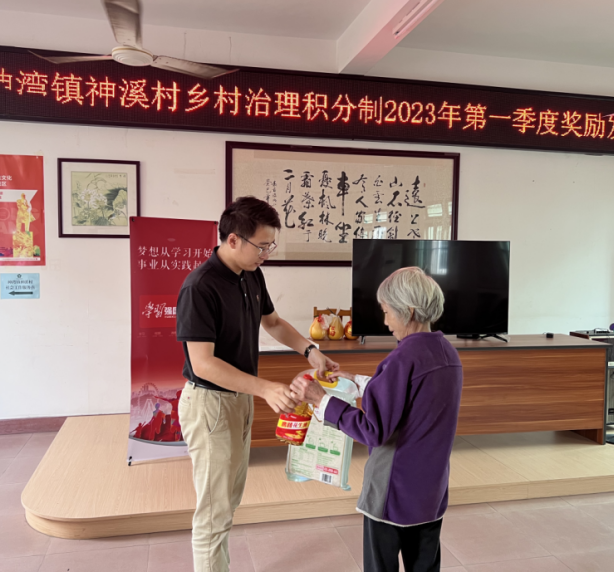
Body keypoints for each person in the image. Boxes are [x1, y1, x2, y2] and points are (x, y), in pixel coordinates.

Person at [177, 196, 339, 572]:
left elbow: (274, 322)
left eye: (271, 246)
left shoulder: (250, 274)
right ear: (233, 239)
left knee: (228, 500)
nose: (266, 254)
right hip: (210, 405)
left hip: (240, 400)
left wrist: (310, 350)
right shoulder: (200, 287)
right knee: (214, 512)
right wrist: (265, 388)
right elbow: (203, 364)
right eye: (262, 246)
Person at [291, 266, 462, 572]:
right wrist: (356, 381)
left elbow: (373, 431)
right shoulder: (447, 353)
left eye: (387, 311)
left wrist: (322, 400)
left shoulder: (401, 359)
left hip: (392, 491)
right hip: (430, 490)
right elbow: (409, 397)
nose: (385, 321)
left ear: (408, 311)